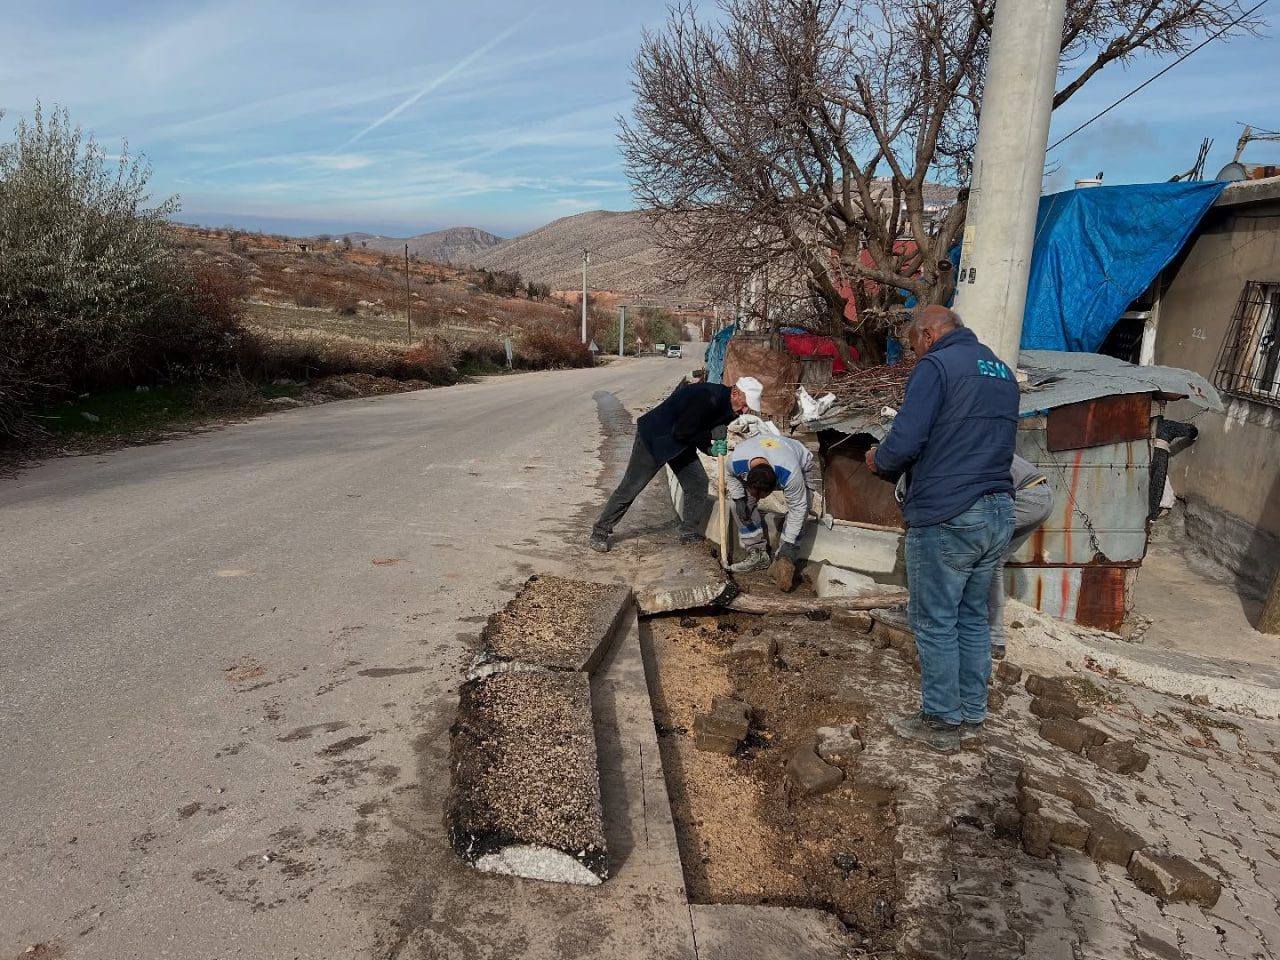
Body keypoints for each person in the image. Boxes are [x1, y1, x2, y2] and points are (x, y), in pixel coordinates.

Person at [865, 305, 1018, 753]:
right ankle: (972, 713)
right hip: (998, 509)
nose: (913, 356)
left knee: (933, 620)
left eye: (913, 346)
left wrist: (879, 460)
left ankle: (941, 720)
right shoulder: (1001, 371)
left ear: (928, 335)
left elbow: (908, 439)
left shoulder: (936, 366)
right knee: (972, 618)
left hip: (949, 510)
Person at [590, 376, 763, 552]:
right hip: (655, 439)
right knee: (631, 486)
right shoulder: (708, 398)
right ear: (735, 393)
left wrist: (710, 449)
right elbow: (683, 430)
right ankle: (600, 530)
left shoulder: (729, 410)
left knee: (697, 483)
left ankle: (688, 532)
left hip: (680, 443)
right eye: (746, 404)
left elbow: (697, 431)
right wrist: (711, 436)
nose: (746, 409)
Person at [724, 435, 820, 591]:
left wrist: (789, 542)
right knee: (738, 506)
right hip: (765, 452)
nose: (759, 499)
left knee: (801, 513)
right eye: (755, 493)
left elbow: (798, 507)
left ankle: (785, 559)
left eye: (763, 496)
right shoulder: (737, 462)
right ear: (747, 478)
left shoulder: (790, 474)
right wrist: (739, 498)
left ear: (776, 485)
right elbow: (730, 475)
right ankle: (758, 554)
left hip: (799, 461)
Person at [989, 454, 1054, 660]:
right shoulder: (976, 436)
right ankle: (994, 639)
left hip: (1024, 497)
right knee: (992, 562)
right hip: (1041, 494)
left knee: (962, 547)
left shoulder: (953, 447)